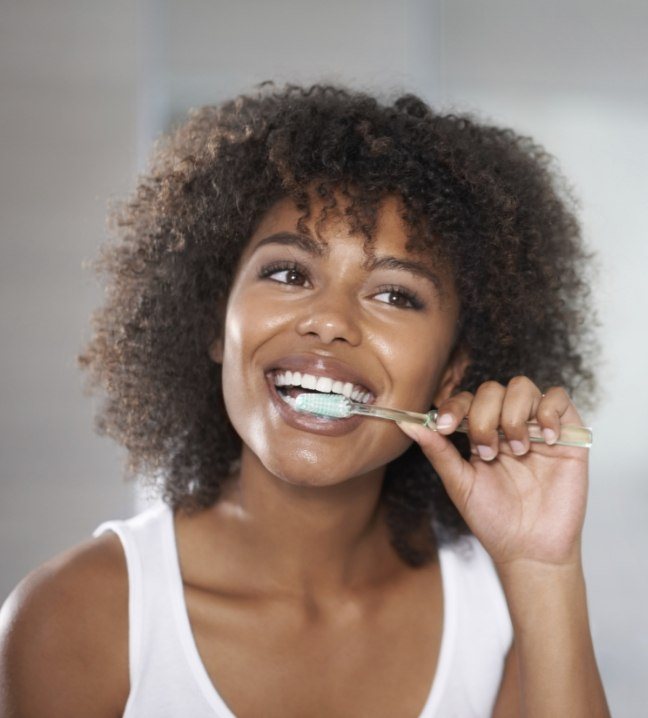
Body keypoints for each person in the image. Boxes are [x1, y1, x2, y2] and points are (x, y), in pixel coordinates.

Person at [0, 83, 610, 717]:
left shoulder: (499, 611)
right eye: (289, 273)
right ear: (215, 323)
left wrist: (545, 570)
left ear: (452, 370)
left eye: (395, 294)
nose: (329, 321)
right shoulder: (76, 618)